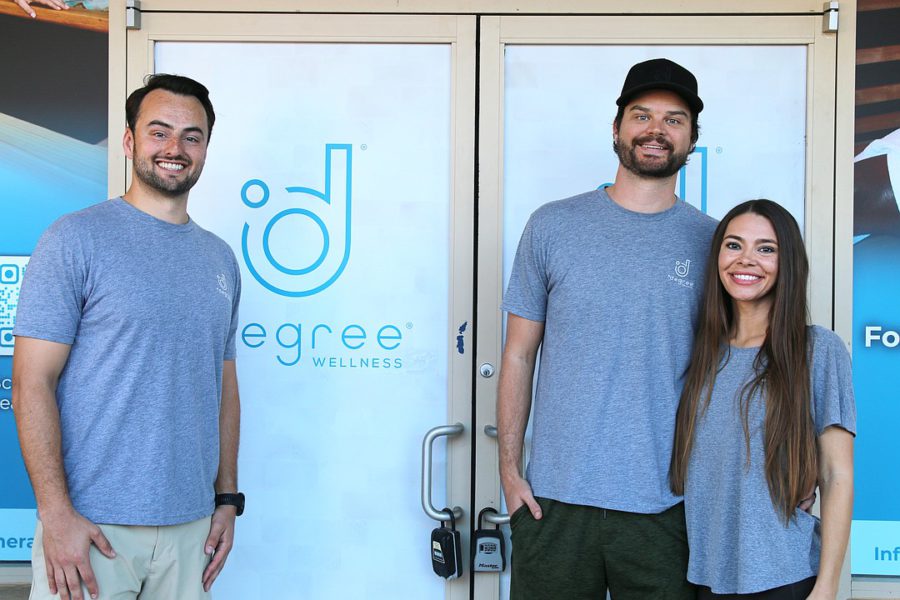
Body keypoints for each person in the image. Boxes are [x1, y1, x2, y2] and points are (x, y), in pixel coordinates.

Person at [12, 74, 243, 600]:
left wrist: (227, 499)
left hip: (191, 530)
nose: (175, 148)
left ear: (206, 148)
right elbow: (30, 384)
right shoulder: (75, 239)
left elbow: (224, 387)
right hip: (91, 529)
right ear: (128, 141)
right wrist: (56, 515)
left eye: (191, 136)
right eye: (159, 132)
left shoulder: (220, 258)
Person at [498, 58, 717, 599]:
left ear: (692, 139)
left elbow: (737, 368)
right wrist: (509, 472)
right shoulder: (552, 226)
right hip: (552, 503)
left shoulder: (714, 244)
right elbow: (518, 355)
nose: (656, 130)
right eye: (642, 115)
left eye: (674, 119)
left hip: (665, 508)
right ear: (616, 128)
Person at [670, 199, 855, 599]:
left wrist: (827, 586)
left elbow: (836, 474)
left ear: (788, 262)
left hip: (785, 576)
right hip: (706, 576)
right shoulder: (703, 353)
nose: (746, 259)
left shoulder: (817, 350)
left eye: (766, 248)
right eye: (734, 245)